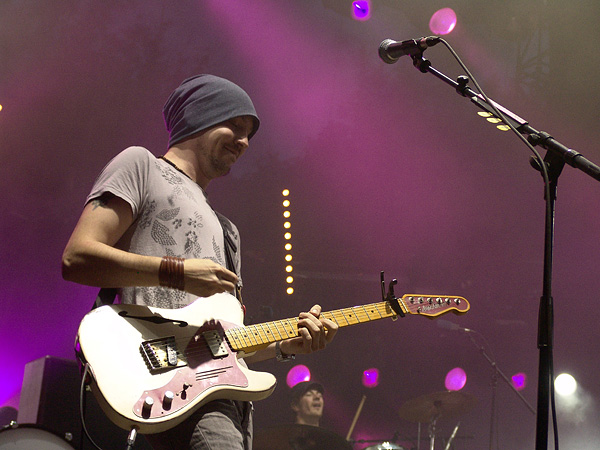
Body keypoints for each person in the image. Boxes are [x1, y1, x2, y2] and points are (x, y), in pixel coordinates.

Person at [61, 74, 338, 450]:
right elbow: (77, 257)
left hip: (223, 398)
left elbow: (225, 339)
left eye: (249, 134)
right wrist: (177, 273)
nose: (243, 142)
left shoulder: (228, 232)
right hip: (162, 382)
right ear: (199, 118)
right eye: (235, 125)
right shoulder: (142, 165)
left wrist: (287, 346)